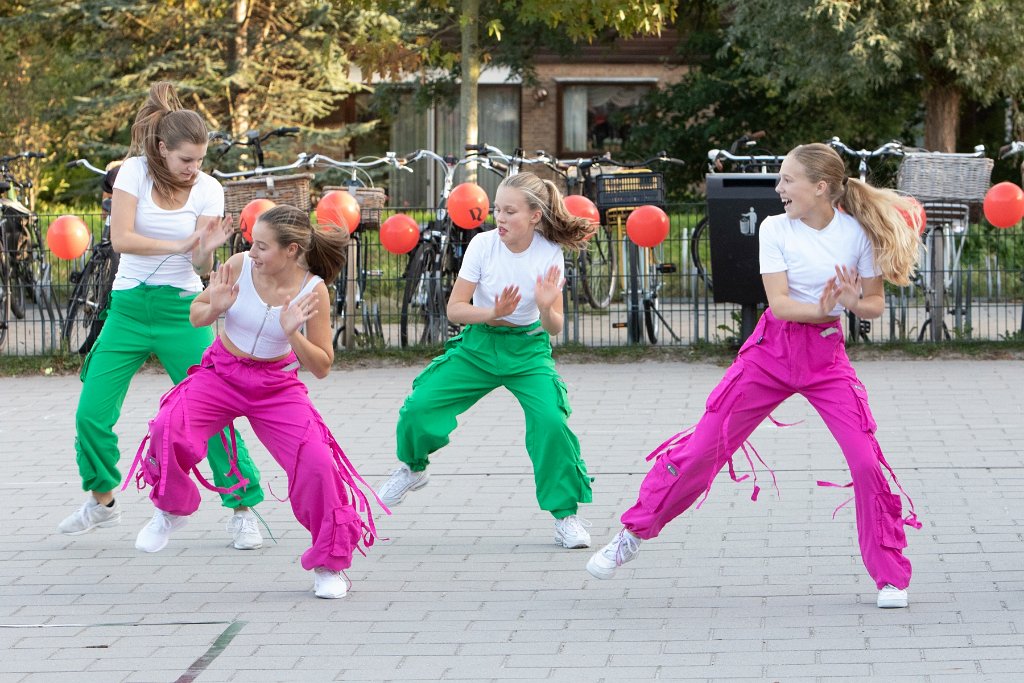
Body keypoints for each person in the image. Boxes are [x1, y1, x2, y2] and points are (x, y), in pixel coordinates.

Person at [587, 143, 922, 609]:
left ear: (820, 187)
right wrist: (823, 306)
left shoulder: (856, 235)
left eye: (787, 179)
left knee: (866, 461)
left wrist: (845, 302)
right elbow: (782, 304)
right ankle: (633, 533)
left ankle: (889, 576)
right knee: (705, 446)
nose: (778, 187)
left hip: (826, 358)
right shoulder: (774, 228)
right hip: (771, 352)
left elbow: (873, 306)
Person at [124, 205, 383, 598]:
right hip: (222, 373)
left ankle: (330, 564)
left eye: (262, 246)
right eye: (251, 243)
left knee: (316, 462)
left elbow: (323, 366)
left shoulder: (314, 291)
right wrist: (216, 307)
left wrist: (293, 334)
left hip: (276, 387)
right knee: (167, 426)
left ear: (291, 250)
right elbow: (196, 316)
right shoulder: (239, 265)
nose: (253, 251)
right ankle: (171, 511)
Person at [57, 82, 265, 551]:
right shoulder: (133, 173)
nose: (195, 169)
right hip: (128, 308)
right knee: (92, 413)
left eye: (200, 159)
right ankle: (102, 500)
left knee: (212, 414)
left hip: (181, 311)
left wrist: (205, 254)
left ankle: (242, 507)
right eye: (186, 159)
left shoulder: (209, 189)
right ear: (161, 149)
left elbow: (200, 268)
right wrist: (181, 244)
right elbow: (123, 239)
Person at [375, 172, 596, 548]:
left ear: (535, 217)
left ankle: (566, 517)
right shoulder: (482, 245)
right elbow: (456, 310)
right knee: (418, 407)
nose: (501, 218)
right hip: (479, 346)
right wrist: (493, 312)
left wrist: (545, 307)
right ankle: (413, 468)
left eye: (510, 211)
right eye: (498, 209)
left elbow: (554, 326)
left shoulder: (548, 253)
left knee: (551, 423)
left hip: (527, 352)